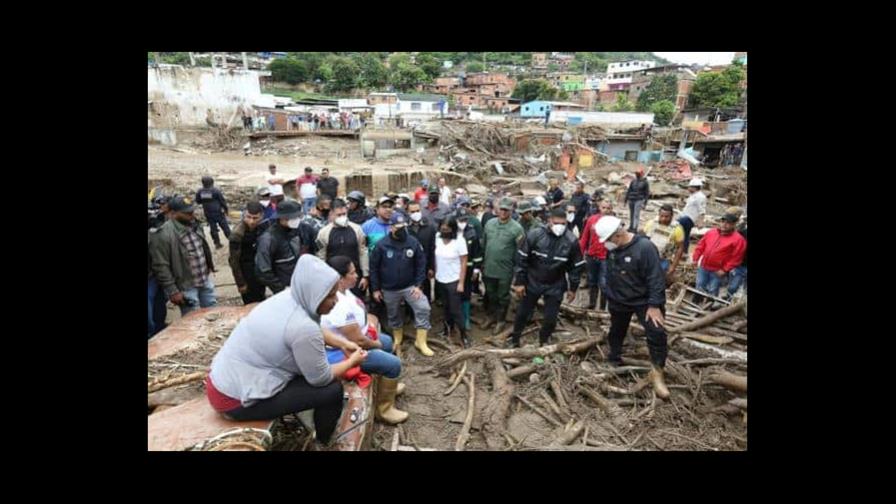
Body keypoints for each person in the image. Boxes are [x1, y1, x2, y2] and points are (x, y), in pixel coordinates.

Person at [206, 255, 366, 444]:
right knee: (331, 391)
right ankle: (323, 442)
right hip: (234, 401)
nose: (336, 301)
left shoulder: (288, 298)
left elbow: (311, 330)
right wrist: (352, 361)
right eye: (330, 296)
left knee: (308, 372)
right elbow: (321, 377)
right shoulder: (303, 328)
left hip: (222, 381)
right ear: (313, 294)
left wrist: (342, 343)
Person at [321, 256, 408, 425]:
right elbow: (358, 341)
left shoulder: (344, 291)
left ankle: (387, 386)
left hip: (357, 339)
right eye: (352, 273)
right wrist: (376, 344)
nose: (357, 276)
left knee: (388, 341)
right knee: (394, 363)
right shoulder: (337, 304)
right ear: (340, 279)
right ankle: (384, 410)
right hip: (345, 351)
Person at [594, 216, 670, 398]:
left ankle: (657, 372)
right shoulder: (613, 249)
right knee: (616, 330)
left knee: (657, 332)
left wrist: (654, 304)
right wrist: (608, 291)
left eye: (609, 240)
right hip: (619, 299)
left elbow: (656, 278)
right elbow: (610, 271)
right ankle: (614, 358)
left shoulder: (644, 248)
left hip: (644, 301)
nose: (607, 244)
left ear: (618, 234)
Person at [509, 207, 584, 347]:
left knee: (550, 318)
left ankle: (543, 341)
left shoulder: (571, 241)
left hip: (555, 284)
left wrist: (573, 288)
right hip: (533, 280)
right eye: (557, 223)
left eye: (563, 224)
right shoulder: (535, 235)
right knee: (522, 313)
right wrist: (519, 282)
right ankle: (515, 339)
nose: (560, 227)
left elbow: (576, 267)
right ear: (549, 221)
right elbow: (522, 258)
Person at [370, 213, 434, 357]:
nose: (400, 229)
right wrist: (375, 289)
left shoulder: (413, 242)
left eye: (403, 226)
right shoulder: (381, 244)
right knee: (393, 314)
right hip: (389, 288)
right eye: (397, 226)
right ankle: (398, 338)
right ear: (391, 227)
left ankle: (421, 341)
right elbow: (374, 268)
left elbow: (420, 264)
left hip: (410, 286)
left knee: (423, 307)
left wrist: (418, 285)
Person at [149, 196, 217, 316]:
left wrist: (209, 264)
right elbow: (161, 265)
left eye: (192, 211)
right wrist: (173, 291)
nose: (192, 215)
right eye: (187, 213)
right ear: (173, 213)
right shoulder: (163, 234)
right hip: (186, 286)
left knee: (213, 314)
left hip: (203, 280)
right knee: (193, 321)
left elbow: (202, 248)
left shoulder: (194, 224)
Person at [480, 197, 526, 335]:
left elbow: (521, 251)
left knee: (503, 296)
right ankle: (491, 316)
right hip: (488, 267)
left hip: (505, 270)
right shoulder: (489, 223)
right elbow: (484, 244)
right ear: (498, 209)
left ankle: (501, 320)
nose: (504, 212)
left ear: (512, 211)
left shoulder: (517, 229)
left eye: (507, 210)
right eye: (502, 209)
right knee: (490, 293)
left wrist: (518, 272)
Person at [315, 199, 369, 298]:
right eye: (339, 215)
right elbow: (321, 257)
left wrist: (365, 275)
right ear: (331, 214)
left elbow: (363, 252)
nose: (342, 217)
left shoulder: (357, 229)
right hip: (333, 279)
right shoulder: (323, 233)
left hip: (355, 277)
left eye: (344, 214)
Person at [692, 213, 747, 302]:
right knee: (699, 285)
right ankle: (695, 304)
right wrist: (695, 259)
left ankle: (708, 308)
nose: (724, 225)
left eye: (728, 223)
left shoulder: (738, 240)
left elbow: (736, 258)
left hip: (718, 270)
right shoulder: (711, 232)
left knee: (713, 289)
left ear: (734, 225)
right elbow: (700, 246)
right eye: (723, 221)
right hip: (704, 266)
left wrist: (725, 269)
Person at [433, 216, 470, 347]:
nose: (444, 231)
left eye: (447, 229)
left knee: (456, 310)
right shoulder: (438, 237)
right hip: (440, 279)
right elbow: (437, 257)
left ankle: (464, 335)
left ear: (453, 229)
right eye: (443, 228)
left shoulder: (459, 241)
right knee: (446, 308)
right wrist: (435, 272)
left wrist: (461, 282)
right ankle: (447, 330)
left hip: (454, 280)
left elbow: (464, 262)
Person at [255, 200, 303, 294]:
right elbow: (263, 270)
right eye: (295, 217)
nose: (297, 220)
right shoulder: (268, 239)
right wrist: (281, 288)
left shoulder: (295, 230)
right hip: (284, 288)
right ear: (283, 218)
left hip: (298, 284)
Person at [229, 202, 271, 305]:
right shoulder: (238, 234)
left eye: (255, 218)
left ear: (261, 216)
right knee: (251, 303)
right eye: (249, 217)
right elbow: (234, 261)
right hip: (247, 272)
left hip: (260, 269)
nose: (251, 221)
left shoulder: (263, 227)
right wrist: (241, 283)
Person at [580, 199, 614, 310]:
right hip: (592, 255)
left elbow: (617, 242)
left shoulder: (614, 222)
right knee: (592, 281)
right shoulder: (592, 220)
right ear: (599, 208)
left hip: (605, 257)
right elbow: (585, 237)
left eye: (608, 208)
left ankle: (602, 308)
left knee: (604, 284)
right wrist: (581, 252)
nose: (606, 210)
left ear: (611, 209)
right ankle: (592, 304)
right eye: (604, 208)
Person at [641, 204, 685, 286]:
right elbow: (642, 240)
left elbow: (680, 248)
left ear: (672, 216)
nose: (663, 219)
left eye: (666, 216)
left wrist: (673, 266)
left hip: (663, 261)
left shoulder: (677, 229)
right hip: (647, 258)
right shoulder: (651, 223)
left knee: (656, 283)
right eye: (661, 216)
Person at [455, 208, 483, 332]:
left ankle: (466, 319)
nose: (463, 222)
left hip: (468, 269)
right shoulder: (451, 233)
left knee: (466, 293)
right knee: (453, 294)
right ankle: (454, 318)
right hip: (453, 269)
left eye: (465, 220)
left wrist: (476, 270)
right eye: (460, 220)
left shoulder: (472, 233)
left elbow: (477, 253)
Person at [407, 200, 437, 302]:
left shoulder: (429, 227)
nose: (415, 213)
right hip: (409, 267)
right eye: (412, 211)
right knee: (410, 292)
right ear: (407, 212)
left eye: (417, 210)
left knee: (425, 291)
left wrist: (431, 267)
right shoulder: (405, 228)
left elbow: (432, 248)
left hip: (425, 266)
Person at [196, 175, 231, 249]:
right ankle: (232, 241)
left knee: (213, 228)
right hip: (218, 212)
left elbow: (198, 201)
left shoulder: (200, 191)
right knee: (225, 227)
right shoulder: (216, 191)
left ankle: (217, 243)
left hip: (208, 213)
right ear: (212, 182)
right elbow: (222, 201)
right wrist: (226, 209)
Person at [724, 208, 747, 300]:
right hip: (741, 264)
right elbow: (733, 238)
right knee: (732, 287)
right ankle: (727, 302)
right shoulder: (743, 232)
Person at [678, 178, 707, 251]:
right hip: (685, 216)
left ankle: (683, 250)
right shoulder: (693, 195)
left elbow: (702, 210)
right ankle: (683, 250)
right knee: (685, 234)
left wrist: (701, 222)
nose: (688, 188)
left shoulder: (700, 197)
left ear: (695, 188)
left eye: (690, 187)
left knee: (682, 233)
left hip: (689, 219)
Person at [625, 166, 650, 232]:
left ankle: (634, 228)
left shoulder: (645, 182)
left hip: (639, 200)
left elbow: (647, 193)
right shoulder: (633, 181)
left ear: (641, 174)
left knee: (636, 214)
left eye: (638, 173)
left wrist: (645, 203)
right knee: (631, 214)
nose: (637, 174)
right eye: (636, 173)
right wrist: (625, 200)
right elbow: (629, 190)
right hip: (631, 199)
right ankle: (631, 227)